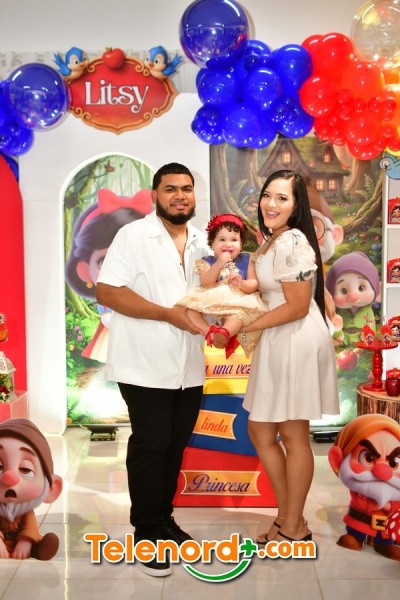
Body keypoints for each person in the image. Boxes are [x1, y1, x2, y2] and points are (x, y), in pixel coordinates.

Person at [96, 162, 209, 577]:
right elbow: (107, 291)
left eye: (186, 189)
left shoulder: (203, 242)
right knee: (152, 443)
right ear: (154, 195)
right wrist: (166, 313)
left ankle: (164, 519)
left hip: (189, 365)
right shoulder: (133, 235)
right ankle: (145, 531)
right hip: (143, 364)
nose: (180, 196)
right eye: (170, 189)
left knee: (175, 445)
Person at [241, 169, 340, 544]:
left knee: (293, 434)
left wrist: (248, 326)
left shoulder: (293, 240)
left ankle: (293, 524)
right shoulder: (274, 240)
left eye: (282, 198)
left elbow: (297, 307)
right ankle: (288, 517)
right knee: (261, 430)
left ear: (296, 205)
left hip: (294, 338)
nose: (271, 203)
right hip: (278, 336)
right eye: (268, 195)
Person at [176, 213, 268, 358]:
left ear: (241, 244)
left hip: (238, 301)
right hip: (214, 298)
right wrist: (219, 264)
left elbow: (254, 283)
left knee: (238, 317)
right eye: (222, 239)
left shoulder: (247, 259)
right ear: (212, 243)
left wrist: (242, 284)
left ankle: (224, 332)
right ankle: (209, 332)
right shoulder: (207, 261)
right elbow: (206, 282)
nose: (228, 244)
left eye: (234, 240)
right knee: (191, 310)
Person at [328, 413, 400, 561]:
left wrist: (389, 507)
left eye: (393, 463)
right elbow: (359, 503)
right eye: (368, 458)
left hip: (385, 525)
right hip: (359, 519)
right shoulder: (361, 489)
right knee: (356, 528)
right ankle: (355, 536)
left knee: (384, 534)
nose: (382, 472)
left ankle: (384, 544)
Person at [0, 418, 63, 560]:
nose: (9, 477)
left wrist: (25, 542)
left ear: (51, 489)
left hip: (20, 543)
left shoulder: (26, 512)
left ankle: (39, 548)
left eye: (25, 469)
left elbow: (30, 528)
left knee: (39, 541)